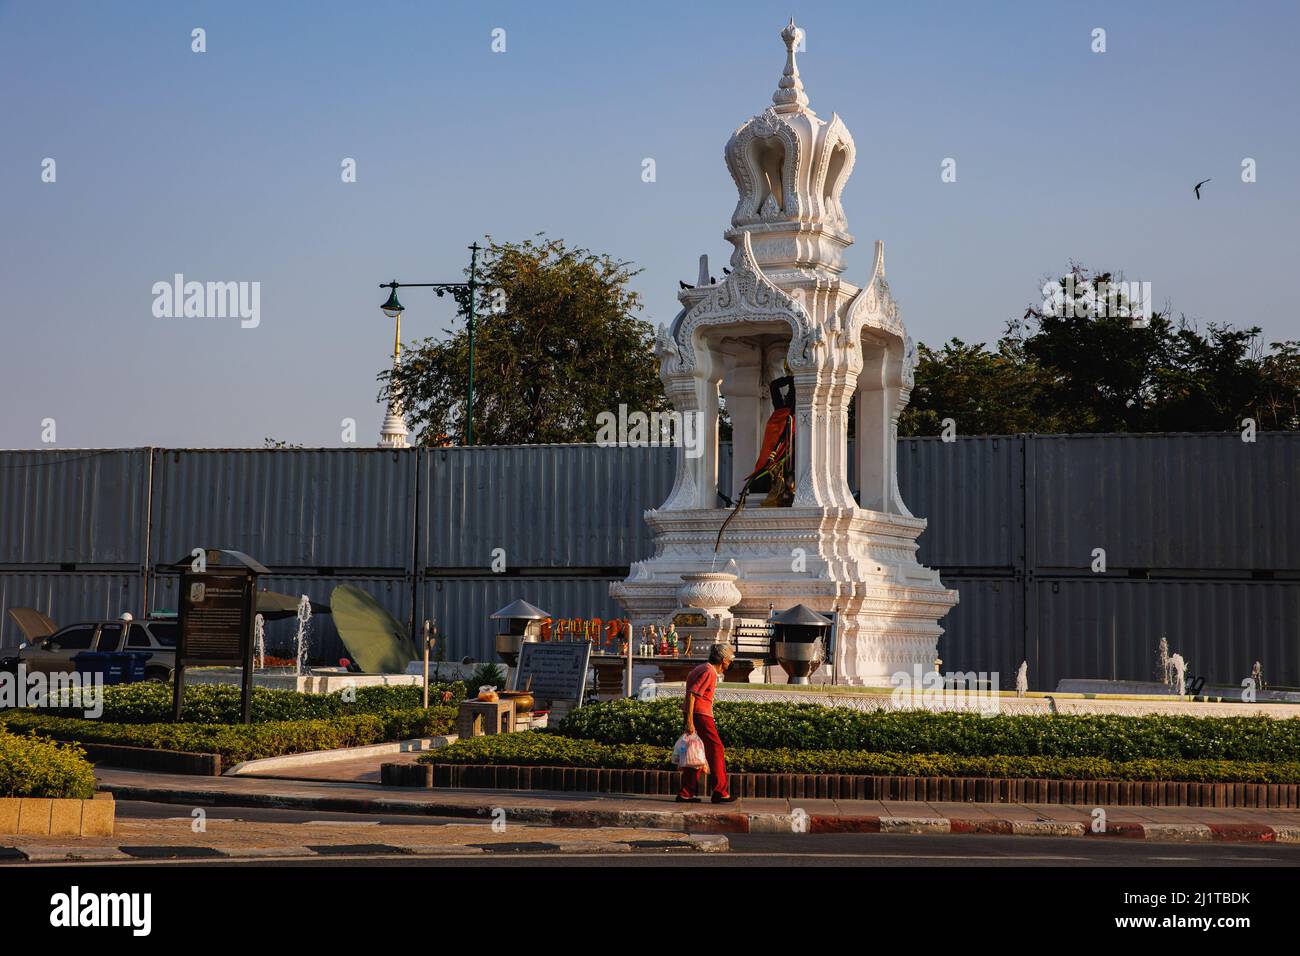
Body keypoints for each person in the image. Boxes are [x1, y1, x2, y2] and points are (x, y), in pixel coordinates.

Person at [677, 642, 739, 804]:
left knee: (696, 752)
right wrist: (690, 721)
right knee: (716, 749)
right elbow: (692, 694)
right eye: (731, 658)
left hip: (696, 713)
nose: (731, 662)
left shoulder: (703, 668)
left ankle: (686, 793)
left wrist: (688, 718)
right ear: (724, 660)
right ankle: (720, 791)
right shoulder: (709, 672)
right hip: (701, 715)